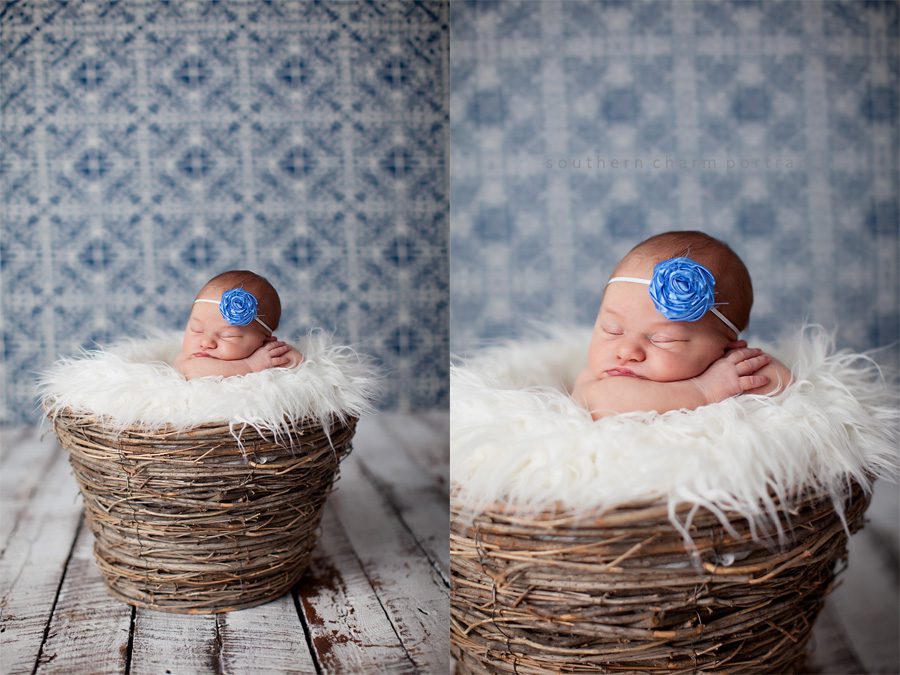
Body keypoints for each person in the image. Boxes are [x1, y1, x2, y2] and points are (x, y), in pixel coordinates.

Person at [572, 231, 792, 420]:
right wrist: (702, 390)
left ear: (725, 347)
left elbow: (780, 379)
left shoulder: (723, 371)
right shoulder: (598, 378)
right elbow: (601, 403)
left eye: (662, 339)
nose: (626, 351)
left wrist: (727, 376)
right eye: (611, 329)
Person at [174, 270, 303, 380]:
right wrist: (249, 366)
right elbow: (192, 371)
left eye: (227, 335)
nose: (206, 342)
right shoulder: (187, 359)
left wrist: (273, 357)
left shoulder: (264, 355)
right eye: (196, 330)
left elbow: (297, 360)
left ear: (264, 341)